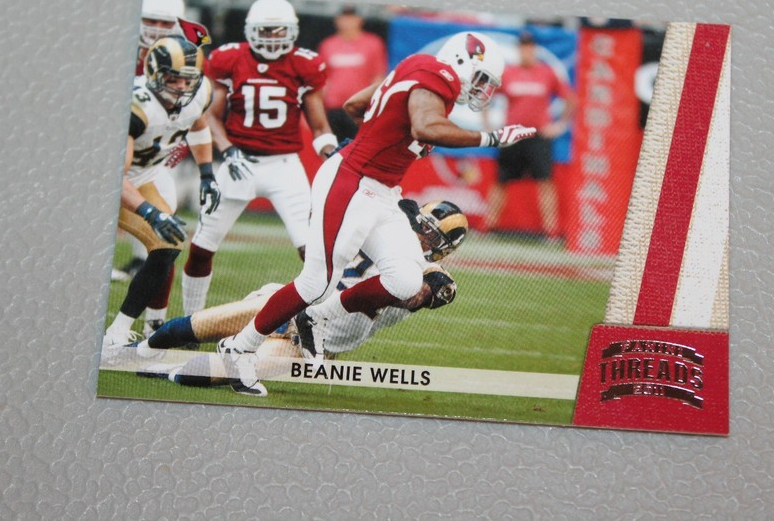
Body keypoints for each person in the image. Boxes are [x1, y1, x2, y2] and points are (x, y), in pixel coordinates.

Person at [218, 30, 537, 396]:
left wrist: (388, 136)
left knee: (405, 280)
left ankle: (316, 318)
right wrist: (492, 138)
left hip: (381, 190)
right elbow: (424, 126)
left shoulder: (417, 68)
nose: (481, 89)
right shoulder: (441, 76)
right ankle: (238, 348)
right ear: (462, 61)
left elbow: (355, 105)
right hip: (352, 181)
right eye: (481, 79)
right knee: (316, 282)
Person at [133, 200, 467, 391]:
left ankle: (169, 370)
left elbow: (430, 290)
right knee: (194, 326)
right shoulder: (384, 229)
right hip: (287, 304)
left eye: (433, 236)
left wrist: (426, 284)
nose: (422, 237)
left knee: (226, 370)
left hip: (309, 343)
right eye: (423, 227)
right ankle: (136, 352)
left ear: (445, 249)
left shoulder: (426, 274)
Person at [180, 0, 338, 318]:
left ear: (292, 31)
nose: (272, 37)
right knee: (201, 247)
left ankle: (322, 321)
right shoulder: (229, 59)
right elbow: (210, 116)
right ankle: (191, 320)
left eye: (279, 30)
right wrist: (228, 149)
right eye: (265, 30)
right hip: (238, 163)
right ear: (251, 30)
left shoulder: (305, 65)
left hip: (284, 167)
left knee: (311, 252)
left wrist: (332, 154)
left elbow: (320, 126)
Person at [101, 35, 221, 359]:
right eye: (173, 79)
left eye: (187, 80)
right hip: (107, 180)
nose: (181, 87)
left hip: (147, 175)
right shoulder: (136, 106)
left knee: (168, 243)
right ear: (154, 73)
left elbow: (197, 125)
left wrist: (207, 173)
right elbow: (115, 176)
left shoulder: (200, 93)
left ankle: (120, 332)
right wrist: (151, 213)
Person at [113, 0, 212, 284]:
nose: (156, 29)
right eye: (150, 21)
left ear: (180, 24)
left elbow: (195, 115)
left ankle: (144, 262)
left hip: (152, 148)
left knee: (163, 220)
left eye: (165, 23)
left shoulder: (187, 57)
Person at [483, 31, 575, 241]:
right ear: (519, 49)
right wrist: (488, 125)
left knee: (545, 181)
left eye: (529, 47)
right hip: (512, 135)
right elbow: (485, 96)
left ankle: (551, 232)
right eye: (523, 47)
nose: (526, 51)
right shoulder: (509, 73)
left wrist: (560, 125)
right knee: (501, 180)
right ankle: (488, 227)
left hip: (538, 135)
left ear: (534, 49)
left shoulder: (546, 73)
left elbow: (570, 99)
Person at [318, 5, 388, 141]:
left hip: (359, 107)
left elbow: (378, 76)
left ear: (360, 20)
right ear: (337, 20)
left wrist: (373, 104)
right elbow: (323, 79)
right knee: (334, 147)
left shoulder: (373, 43)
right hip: (334, 107)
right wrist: (320, 107)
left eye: (351, 18)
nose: (347, 22)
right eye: (344, 18)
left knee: (359, 145)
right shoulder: (328, 45)